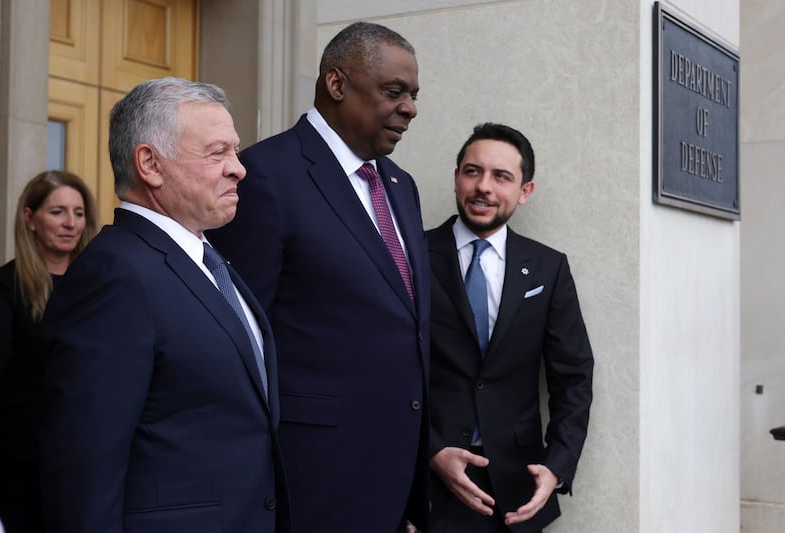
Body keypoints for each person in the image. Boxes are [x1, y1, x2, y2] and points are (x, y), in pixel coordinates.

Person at [39, 77, 289, 533]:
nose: (239, 168)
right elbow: (83, 468)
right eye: (217, 153)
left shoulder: (207, 261)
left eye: (235, 151)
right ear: (150, 164)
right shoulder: (115, 275)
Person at [207, 21, 429, 533]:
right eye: (394, 91)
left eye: (413, 95)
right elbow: (237, 340)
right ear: (336, 84)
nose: (410, 108)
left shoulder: (401, 185)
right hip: (310, 478)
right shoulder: (263, 175)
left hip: (393, 479)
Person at [426, 123, 594, 533]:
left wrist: (556, 466)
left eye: (501, 176)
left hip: (517, 489)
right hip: (426, 485)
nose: (483, 186)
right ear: (456, 177)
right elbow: (386, 369)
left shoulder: (548, 268)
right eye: (472, 171)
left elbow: (573, 377)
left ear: (525, 191)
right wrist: (430, 451)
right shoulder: (411, 254)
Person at [0, 170, 98, 533]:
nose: (70, 223)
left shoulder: (102, 285)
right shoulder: (1, 286)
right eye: (57, 212)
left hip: (87, 455)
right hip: (19, 461)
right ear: (29, 218)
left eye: (78, 213)